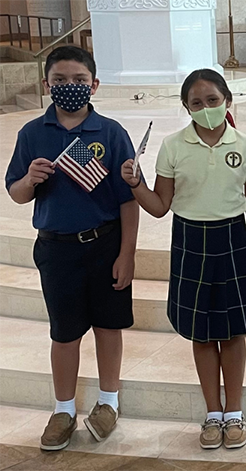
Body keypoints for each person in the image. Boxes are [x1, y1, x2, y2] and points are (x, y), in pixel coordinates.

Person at [121, 69, 246, 450]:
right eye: (197, 103)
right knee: (200, 331)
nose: (205, 108)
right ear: (186, 106)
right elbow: (159, 206)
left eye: (213, 101)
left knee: (233, 330)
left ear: (228, 101)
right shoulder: (173, 146)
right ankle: (213, 412)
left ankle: (234, 411)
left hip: (233, 240)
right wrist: (135, 184)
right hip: (190, 241)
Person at [4, 46, 139, 451]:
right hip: (57, 249)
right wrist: (29, 180)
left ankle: (109, 401)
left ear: (94, 85)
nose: (70, 87)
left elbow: (127, 200)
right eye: (60, 80)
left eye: (79, 80)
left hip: (104, 244)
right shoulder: (32, 133)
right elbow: (16, 194)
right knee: (64, 332)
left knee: (108, 325)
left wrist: (127, 254)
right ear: (47, 85)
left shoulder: (111, 133)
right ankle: (63, 409)